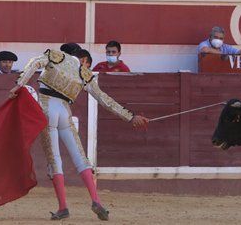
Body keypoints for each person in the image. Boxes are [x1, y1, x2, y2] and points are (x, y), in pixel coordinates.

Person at [8, 43, 148, 220]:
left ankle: (63, 207)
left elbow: (35, 63)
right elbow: (105, 100)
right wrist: (130, 116)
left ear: (65, 52)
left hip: (46, 107)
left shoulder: (56, 56)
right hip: (64, 111)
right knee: (80, 157)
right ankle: (96, 200)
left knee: (54, 159)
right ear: (80, 56)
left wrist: (19, 85)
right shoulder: (84, 72)